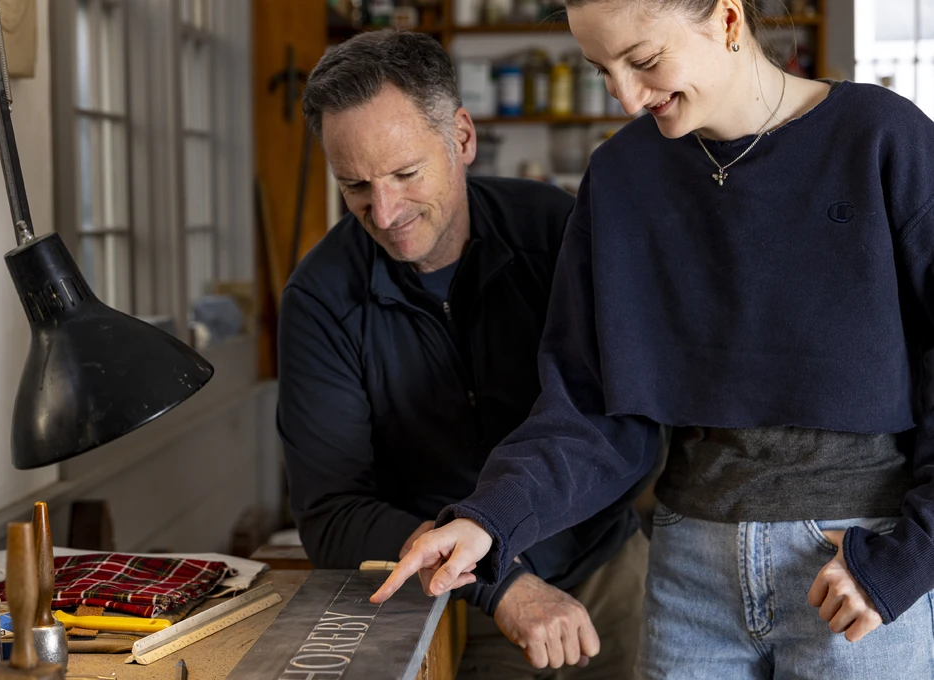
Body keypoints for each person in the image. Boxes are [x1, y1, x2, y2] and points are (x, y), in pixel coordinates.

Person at [373, 0, 934, 677]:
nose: (627, 96)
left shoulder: (884, 139)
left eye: (642, 61)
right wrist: (488, 520)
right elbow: (589, 405)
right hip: (686, 571)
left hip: (856, 566)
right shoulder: (620, 177)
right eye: (601, 69)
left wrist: (909, 559)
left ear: (728, 20)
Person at [278, 29, 654, 678]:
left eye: (405, 173)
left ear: (463, 137)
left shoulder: (558, 234)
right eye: (355, 186)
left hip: (605, 571)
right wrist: (498, 583)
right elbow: (335, 514)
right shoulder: (319, 298)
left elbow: (627, 420)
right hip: (449, 602)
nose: (385, 210)